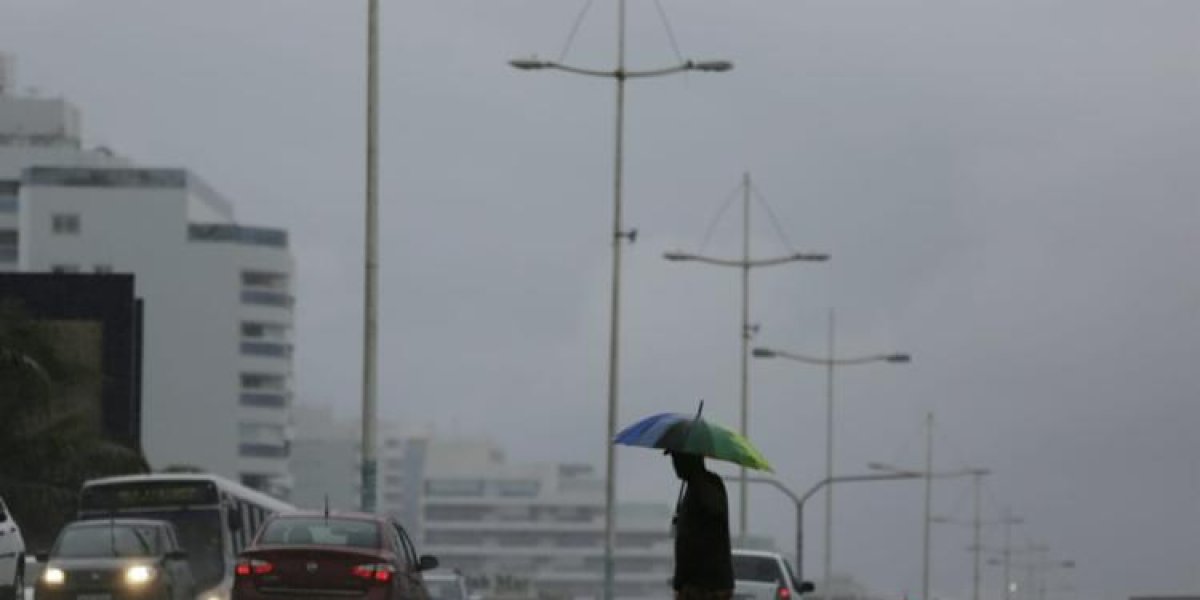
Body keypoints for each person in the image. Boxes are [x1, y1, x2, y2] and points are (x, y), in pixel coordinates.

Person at [670, 451, 734, 600]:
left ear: (689, 459)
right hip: (695, 584)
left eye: (677, 458)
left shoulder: (706, 485)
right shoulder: (693, 487)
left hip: (706, 587)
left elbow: (715, 510)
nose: (675, 464)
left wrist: (698, 481)